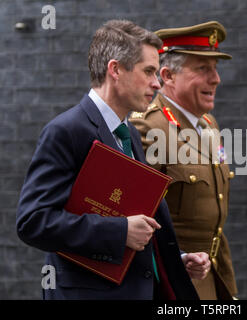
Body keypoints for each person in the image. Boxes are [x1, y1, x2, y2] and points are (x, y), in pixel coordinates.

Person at [16, 19, 210, 300]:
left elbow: (132, 217)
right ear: (115, 69)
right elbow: (33, 222)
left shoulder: (127, 129)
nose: (157, 83)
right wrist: (120, 232)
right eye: (148, 72)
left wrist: (173, 260)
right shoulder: (66, 131)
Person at [130, 21, 237, 299]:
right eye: (203, 69)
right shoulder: (148, 129)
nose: (216, 79)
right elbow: (135, 217)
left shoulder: (208, 124)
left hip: (214, 275)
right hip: (175, 281)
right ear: (168, 75)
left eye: (215, 69)